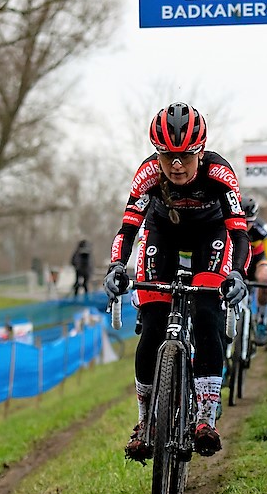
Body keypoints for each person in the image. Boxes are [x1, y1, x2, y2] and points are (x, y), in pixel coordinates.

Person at [104, 102, 250, 462]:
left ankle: (204, 418)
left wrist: (238, 274)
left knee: (207, 317)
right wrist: (116, 267)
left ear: (200, 151)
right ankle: (145, 424)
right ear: (158, 154)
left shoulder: (219, 174)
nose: (177, 165)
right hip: (161, 235)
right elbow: (127, 229)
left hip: (209, 236)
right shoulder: (148, 175)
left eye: (185, 155)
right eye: (168, 156)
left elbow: (240, 235)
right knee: (153, 325)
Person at [242, 197, 267, 343]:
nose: (245, 226)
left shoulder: (261, 228)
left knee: (265, 278)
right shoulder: (227, 223)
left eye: (248, 222)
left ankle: (261, 321)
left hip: (258, 260)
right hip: (239, 261)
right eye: (242, 221)